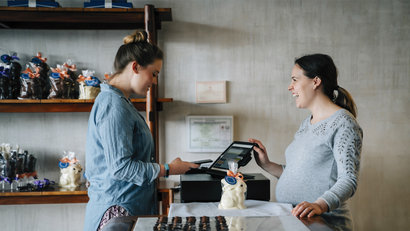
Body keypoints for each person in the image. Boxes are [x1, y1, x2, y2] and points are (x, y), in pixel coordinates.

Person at [84, 30, 198, 231]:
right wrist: (169, 168)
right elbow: (121, 168)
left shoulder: (121, 103)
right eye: (154, 74)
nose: (154, 81)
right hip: (118, 214)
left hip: (127, 208)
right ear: (135, 67)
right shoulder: (114, 106)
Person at [249, 54, 363, 230]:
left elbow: (348, 179)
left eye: (295, 79)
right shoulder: (306, 124)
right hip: (296, 220)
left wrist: (319, 205)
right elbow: (299, 175)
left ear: (315, 81)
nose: (290, 87)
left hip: (323, 223)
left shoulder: (343, 123)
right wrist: (266, 164)